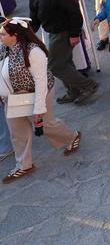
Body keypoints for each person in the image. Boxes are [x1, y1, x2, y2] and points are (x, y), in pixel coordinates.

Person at [0, 17, 83, 183]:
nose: (0, 37)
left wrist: (38, 112)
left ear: (15, 35)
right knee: (17, 131)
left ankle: (72, 137)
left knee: (45, 125)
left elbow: (41, 83)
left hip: (36, 94)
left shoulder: (34, 52)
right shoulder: (4, 49)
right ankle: (23, 165)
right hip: (13, 98)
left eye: (2, 34)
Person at [21, 0, 98, 105]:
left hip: (64, 31)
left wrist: (74, 34)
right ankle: (74, 91)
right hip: (52, 31)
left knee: (55, 66)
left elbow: (74, 11)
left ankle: (88, 86)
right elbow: (35, 12)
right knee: (65, 63)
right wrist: (29, 30)